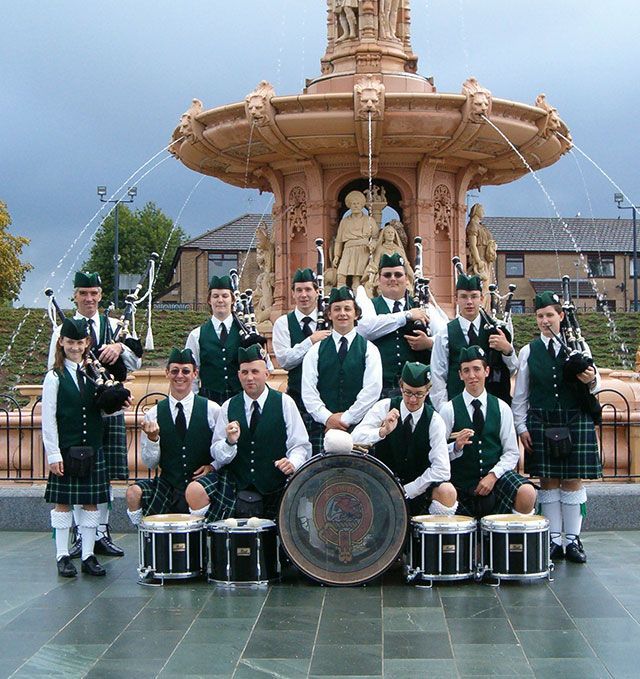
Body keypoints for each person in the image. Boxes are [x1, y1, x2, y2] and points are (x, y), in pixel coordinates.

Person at [47, 271, 142, 559]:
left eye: (94, 293)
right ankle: (79, 535)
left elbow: (136, 362)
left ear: (101, 295)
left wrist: (120, 346)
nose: (89, 298)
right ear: (75, 296)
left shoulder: (115, 326)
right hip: (78, 412)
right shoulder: (61, 331)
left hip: (109, 410)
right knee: (77, 473)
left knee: (104, 476)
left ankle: (100, 532)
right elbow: (54, 367)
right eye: (83, 293)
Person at [512, 291, 602, 563]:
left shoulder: (579, 346)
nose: (545, 321)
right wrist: (521, 426)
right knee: (548, 482)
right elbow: (521, 394)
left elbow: (595, 386)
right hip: (541, 420)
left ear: (561, 317)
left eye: (550, 315)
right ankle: (552, 540)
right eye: (540, 316)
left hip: (574, 419)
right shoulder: (529, 351)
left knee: (572, 481)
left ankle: (572, 541)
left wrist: (592, 378)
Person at [185, 344, 311, 521]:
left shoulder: (284, 402)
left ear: (266, 374)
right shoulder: (229, 406)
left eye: (255, 371)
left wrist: (292, 462)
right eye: (244, 372)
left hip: (275, 482)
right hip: (236, 482)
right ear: (238, 375)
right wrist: (229, 442)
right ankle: (208, 543)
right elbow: (216, 451)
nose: (250, 377)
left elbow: (300, 445)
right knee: (196, 490)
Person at [125, 348, 232, 524]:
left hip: (202, 482)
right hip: (169, 483)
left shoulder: (212, 409)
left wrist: (212, 466)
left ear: (195, 374)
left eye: (185, 371)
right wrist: (153, 439)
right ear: (167, 373)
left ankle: (201, 537)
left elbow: (221, 447)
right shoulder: (153, 413)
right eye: (174, 371)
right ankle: (145, 537)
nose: (179, 376)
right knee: (132, 493)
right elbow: (150, 463)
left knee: (196, 491)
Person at [43, 318, 110, 577]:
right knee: (63, 503)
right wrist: (53, 453)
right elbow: (48, 418)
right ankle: (62, 555)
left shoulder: (94, 374)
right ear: (61, 342)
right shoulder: (54, 376)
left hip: (92, 448)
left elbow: (102, 406)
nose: (75, 347)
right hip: (67, 448)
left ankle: (88, 555)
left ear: (87, 344)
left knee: (91, 503)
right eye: (70, 342)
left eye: (79, 343)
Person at [439, 346, 537, 518]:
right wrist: (455, 446)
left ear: (486, 371)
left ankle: (513, 542)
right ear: (460, 375)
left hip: (496, 481)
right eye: (466, 370)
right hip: (460, 483)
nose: (472, 376)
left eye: (477, 369)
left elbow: (512, 452)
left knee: (527, 492)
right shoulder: (448, 410)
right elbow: (437, 454)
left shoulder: (502, 408)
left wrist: (493, 475)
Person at [352, 361, 457, 515]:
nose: (413, 400)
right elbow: (354, 438)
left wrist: (408, 490)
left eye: (419, 394)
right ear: (401, 386)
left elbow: (442, 470)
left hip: (418, 490)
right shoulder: (384, 406)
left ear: (428, 390)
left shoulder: (434, 420)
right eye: (408, 392)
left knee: (447, 491)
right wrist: (382, 431)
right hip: (381, 487)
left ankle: (432, 539)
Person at [302, 285, 383, 455]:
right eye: (336, 309)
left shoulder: (370, 349)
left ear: (356, 313)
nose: (342, 313)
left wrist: (346, 419)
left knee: (359, 479)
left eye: (347, 308)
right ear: (329, 314)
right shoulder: (315, 351)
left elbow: (372, 390)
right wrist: (327, 418)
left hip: (360, 427)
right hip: (323, 427)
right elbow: (309, 392)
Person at [358, 252, 444, 398]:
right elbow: (366, 329)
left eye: (398, 275)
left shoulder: (423, 306)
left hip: (417, 392)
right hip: (379, 390)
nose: (393, 279)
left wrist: (429, 342)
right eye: (387, 275)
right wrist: (406, 315)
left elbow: (446, 336)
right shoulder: (369, 306)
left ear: (407, 280)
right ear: (378, 280)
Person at [430, 271, 517, 410]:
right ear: (456, 299)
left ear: (481, 298)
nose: (469, 302)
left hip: (493, 406)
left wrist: (507, 350)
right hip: (457, 406)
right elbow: (438, 375)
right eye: (464, 296)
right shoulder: (445, 333)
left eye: (474, 296)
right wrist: (444, 409)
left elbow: (512, 369)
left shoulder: (498, 329)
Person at [272, 268, 331, 423]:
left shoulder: (329, 320)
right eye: (299, 290)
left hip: (326, 398)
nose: (303, 295)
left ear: (317, 291)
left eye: (308, 289)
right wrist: (310, 341)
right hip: (296, 397)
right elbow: (285, 361)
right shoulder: (283, 323)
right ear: (293, 293)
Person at [185, 275, 244, 404]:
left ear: (233, 300)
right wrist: (194, 404)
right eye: (215, 296)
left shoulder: (244, 333)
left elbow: (267, 368)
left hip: (240, 401)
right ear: (209, 300)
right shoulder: (197, 335)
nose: (220, 300)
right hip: (208, 401)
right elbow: (191, 374)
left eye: (225, 296)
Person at [332, 190, 378, 288]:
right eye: (353, 204)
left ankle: (356, 300)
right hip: (348, 250)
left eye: (358, 203)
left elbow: (376, 237)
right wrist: (336, 255)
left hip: (363, 250)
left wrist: (373, 245)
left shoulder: (370, 220)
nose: (355, 206)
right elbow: (339, 240)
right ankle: (341, 297)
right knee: (340, 275)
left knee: (357, 279)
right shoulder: (344, 222)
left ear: (362, 205)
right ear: (350, 206)